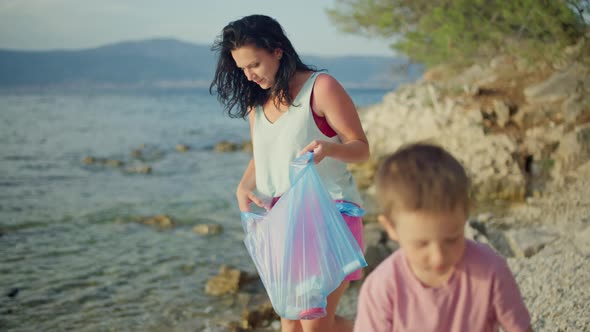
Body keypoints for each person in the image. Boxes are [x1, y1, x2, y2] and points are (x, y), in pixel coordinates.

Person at [210, 14, 370, 332]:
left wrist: (329, 149)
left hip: (330, 215)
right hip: (282, 222)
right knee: (290, 323)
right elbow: (265, 156)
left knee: (313, 324)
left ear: (278, 50)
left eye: (254, 64)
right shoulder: (255, 104)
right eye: (242, 68)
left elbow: (361, 148)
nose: (249, 75)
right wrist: (243, 187)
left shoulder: (320, 87)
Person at [354, 143, 532, 332]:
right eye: (421, 244)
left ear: (466, 214)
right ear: (391, 228)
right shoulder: (382, 288)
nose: (438, 256)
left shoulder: (491, 271)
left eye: (451, 239)